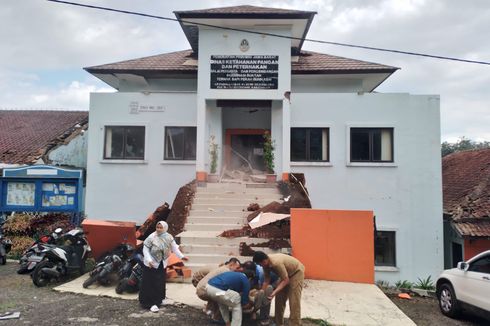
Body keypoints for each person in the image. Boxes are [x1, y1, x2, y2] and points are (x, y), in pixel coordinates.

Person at [139, 221, 188, 312]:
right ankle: (150, 303)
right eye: (157, 227)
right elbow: (145, 249)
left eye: (161, 228)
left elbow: (174, 248)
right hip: (151, 264)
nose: (159, 229)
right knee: (150, 283)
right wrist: (149, 260)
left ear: (165, 228)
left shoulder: (168, 237)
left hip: (162, 263)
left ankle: (159, 300)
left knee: (160, 282)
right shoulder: (152, 236)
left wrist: (182, 256)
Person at [253, 251, 305, 326]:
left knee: (294, 301)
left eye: (260, 264)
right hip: (285, 275)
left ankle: (295, 323)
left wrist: (274, 292)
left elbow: (286, 280)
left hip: (296, 272)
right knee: (279, 299)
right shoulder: (266, 264)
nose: (260, 266)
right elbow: (267, 279)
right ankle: (278, 323)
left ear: (264, 261)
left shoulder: (276, 263)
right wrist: (262, 292)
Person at [242, 261, 278, 326]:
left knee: (265, 297)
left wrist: (254, 308)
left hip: (274, 281)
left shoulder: (261, 274)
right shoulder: (252, 271)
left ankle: (264, 319)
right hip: (261, 281)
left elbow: (262, 291)